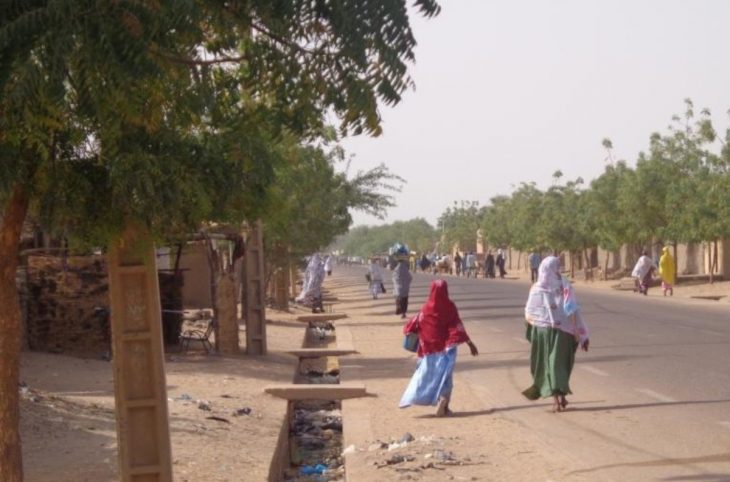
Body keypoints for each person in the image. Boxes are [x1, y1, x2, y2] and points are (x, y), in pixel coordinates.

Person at [400, 279, 479, 416]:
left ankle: (413, 397)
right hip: (446, 351)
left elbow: (413, 324)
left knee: (423, 376)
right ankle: (444, 401)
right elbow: (457, 326)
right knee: (445, 377)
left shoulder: (426, 308)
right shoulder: (450, 307)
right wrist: (470, 343)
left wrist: (409, 331)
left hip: (428, 351)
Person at [522, 256, 589, 412]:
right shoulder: (537, 288)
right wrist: (534, 324)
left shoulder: (565, 285)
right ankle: (557, 397)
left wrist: (578, 331)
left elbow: (572, 310)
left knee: (557, 365)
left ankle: (559, 397)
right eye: (556, 266)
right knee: (547, 365)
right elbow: (530, 311)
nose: (558, 270)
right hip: (543, 332)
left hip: (563, 333)